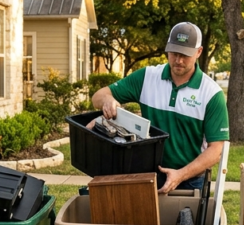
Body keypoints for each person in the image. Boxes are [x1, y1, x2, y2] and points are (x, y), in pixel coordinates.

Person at [91, 22, 229, 193]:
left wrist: (180, 174)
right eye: (174, 53)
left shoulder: (211, 93)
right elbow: (98, 96)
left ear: (199, 52)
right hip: (147, 174)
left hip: (189, 180)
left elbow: (216, 149)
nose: (178, 60)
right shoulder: (147, 77)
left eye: (185, 54)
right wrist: (108, 100)